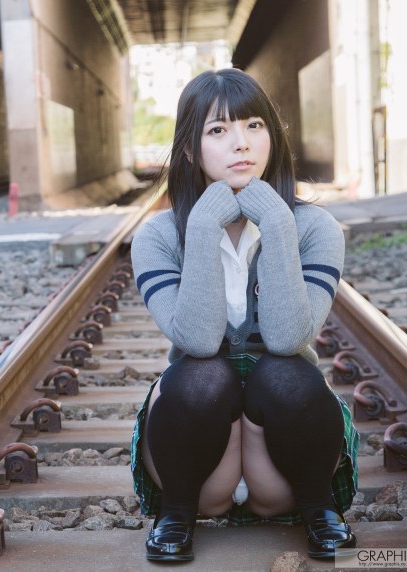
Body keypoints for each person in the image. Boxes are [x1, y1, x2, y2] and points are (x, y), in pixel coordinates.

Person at [130, 67, 359, 562]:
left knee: (286, 372)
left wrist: (276, 221)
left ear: (272, 135)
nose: (242, 143)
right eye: (218, 130)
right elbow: (196, 340)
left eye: (254, 125)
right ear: (190, 150)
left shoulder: (314, 228)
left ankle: (320, 509)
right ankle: (175, 515)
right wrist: (203, 226)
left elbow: (288, 337)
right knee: (200, 373)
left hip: (280, 464)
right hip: (200, 474)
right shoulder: (158, 237)